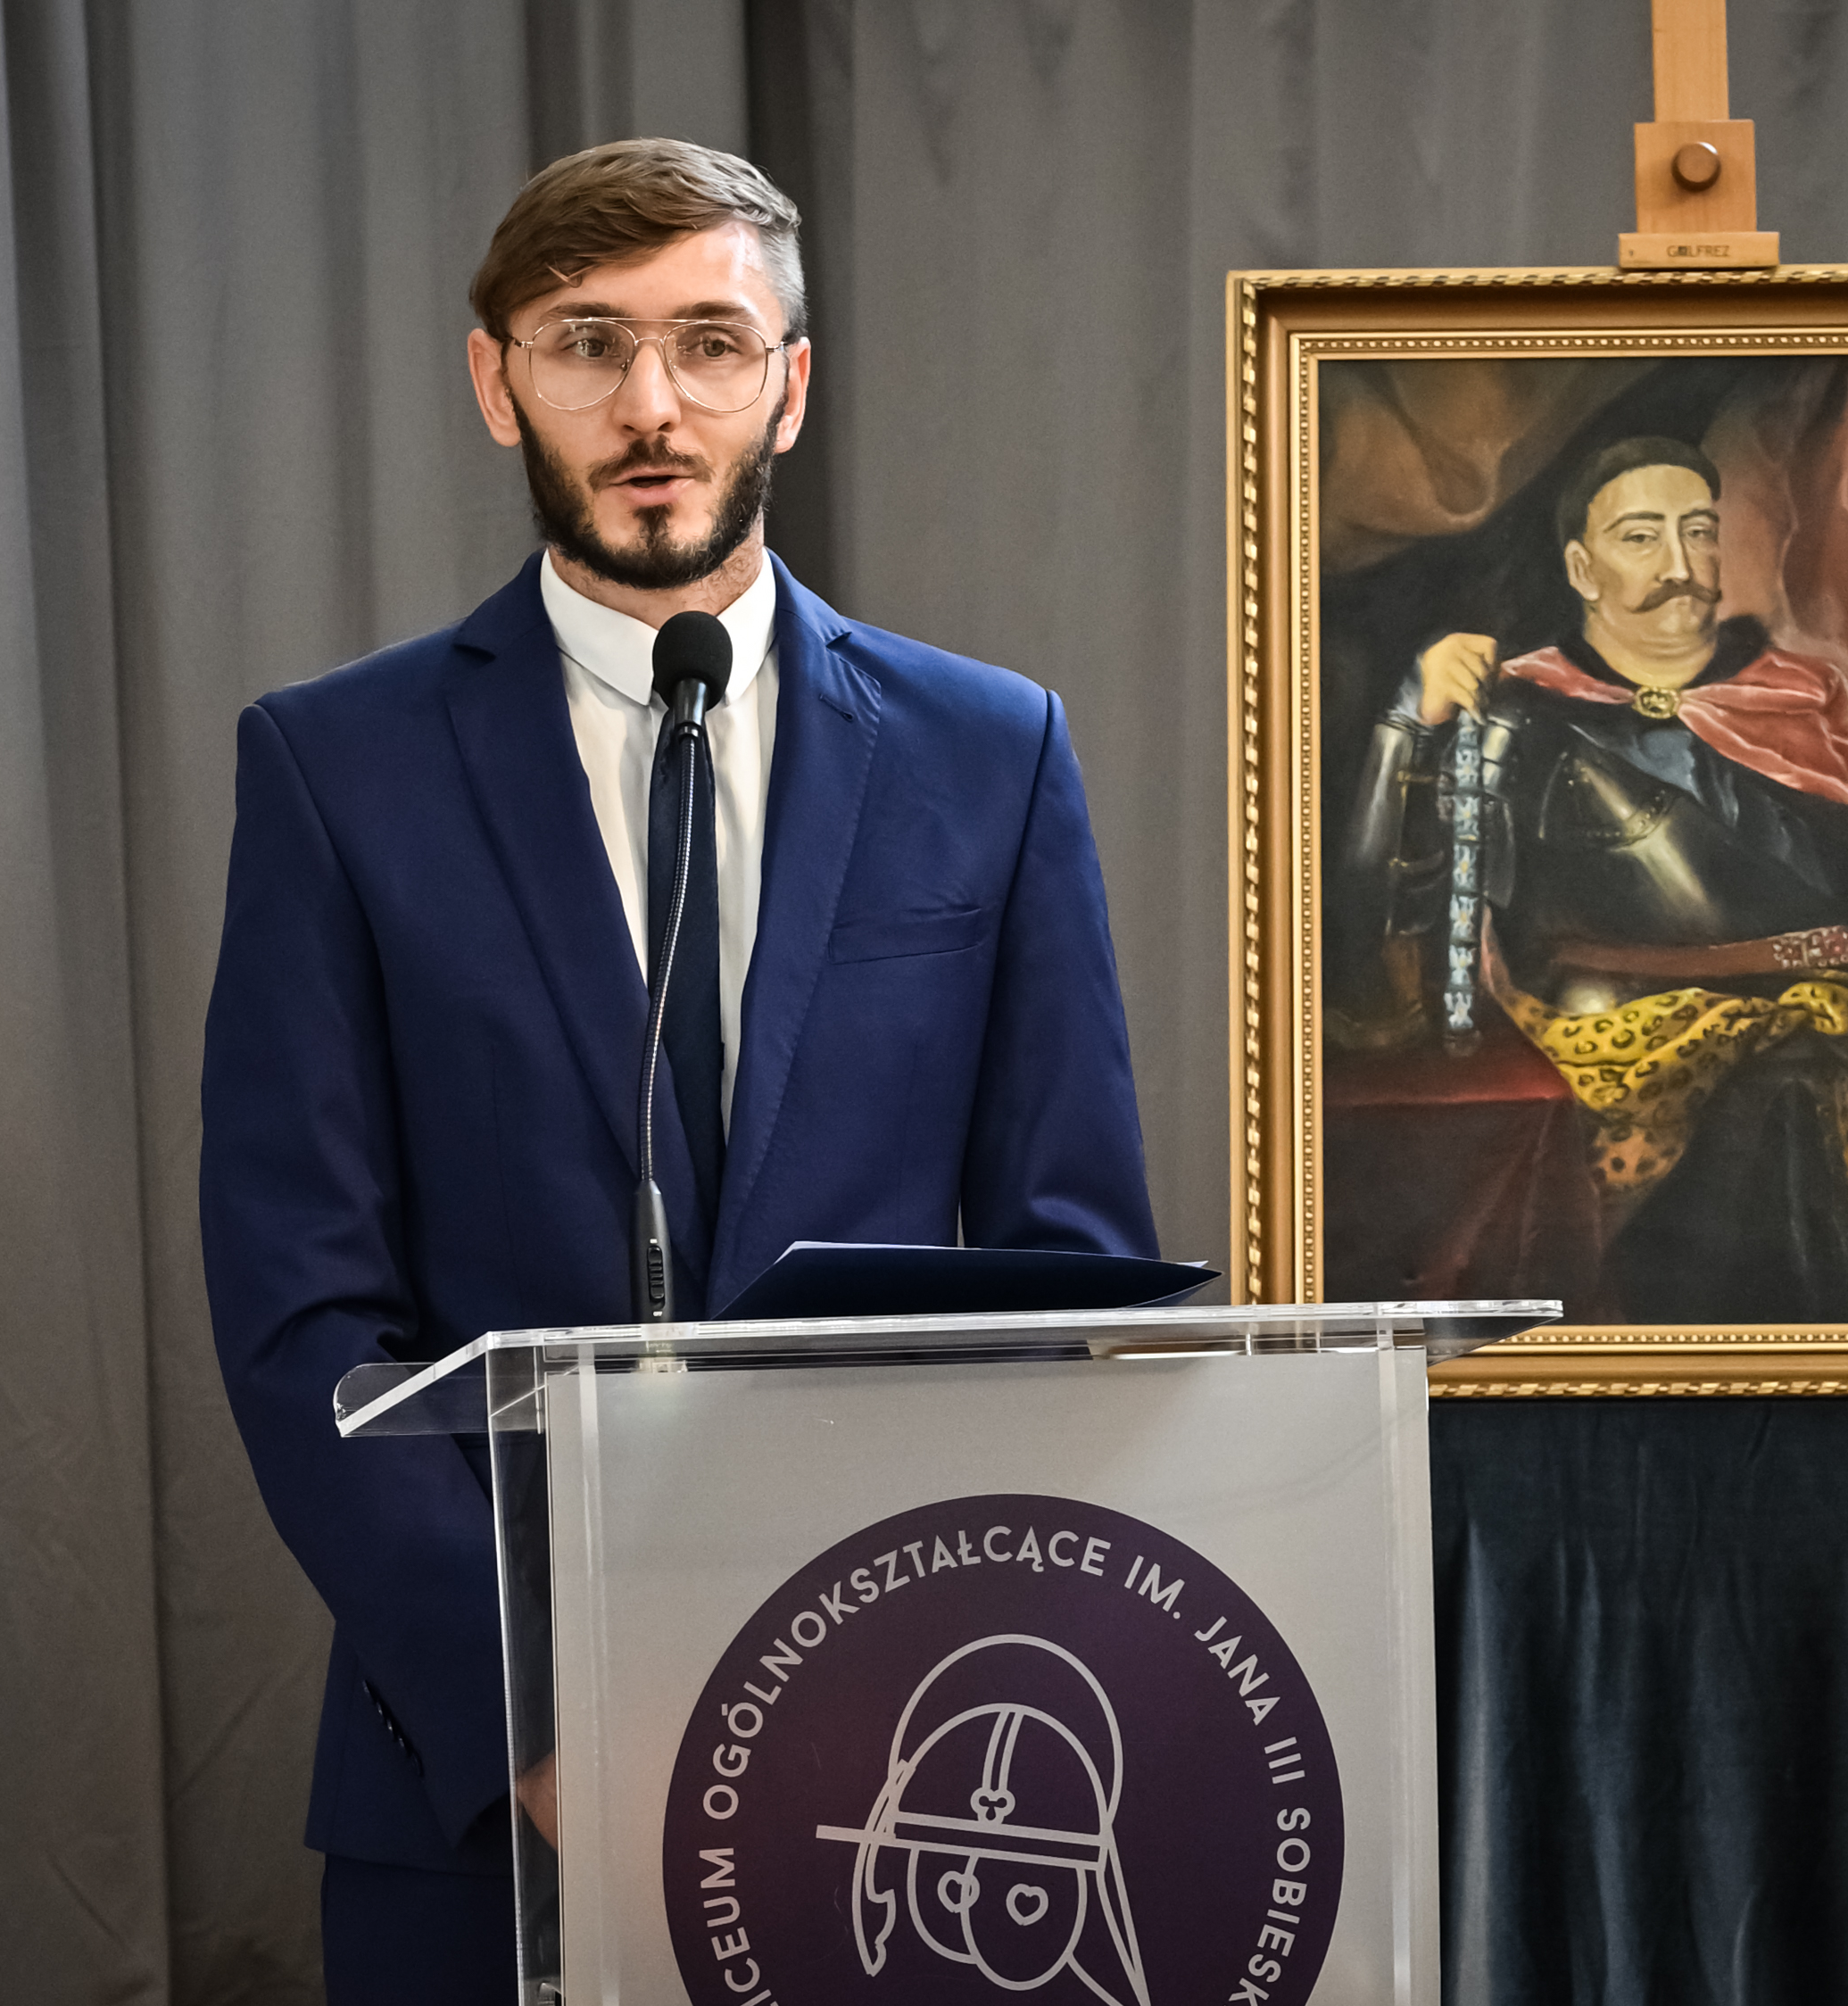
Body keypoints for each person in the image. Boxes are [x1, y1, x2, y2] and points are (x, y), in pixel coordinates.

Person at [197, 138, 1156, 2000]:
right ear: (499, 382)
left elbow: (1069, 1270)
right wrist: (540, 1722)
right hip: (477, 1797)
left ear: (788, 382)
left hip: (906, 1769)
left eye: (710, 343)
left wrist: (921, 1688)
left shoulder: (992, 751)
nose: (651, 404)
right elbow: (299, 1309)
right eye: (587, 343)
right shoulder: (334, 767)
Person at [1349, 434, 1848, 1322]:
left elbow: (1831, 849)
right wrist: (1410, 722)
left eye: (1697, 531)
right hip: (1626, 1054)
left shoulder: (1791, 696)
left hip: (1832, 1025)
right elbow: (1389, 900)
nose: (1679, 565)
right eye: (1640, 537)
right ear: (1581, 569)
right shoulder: (1514, 708)